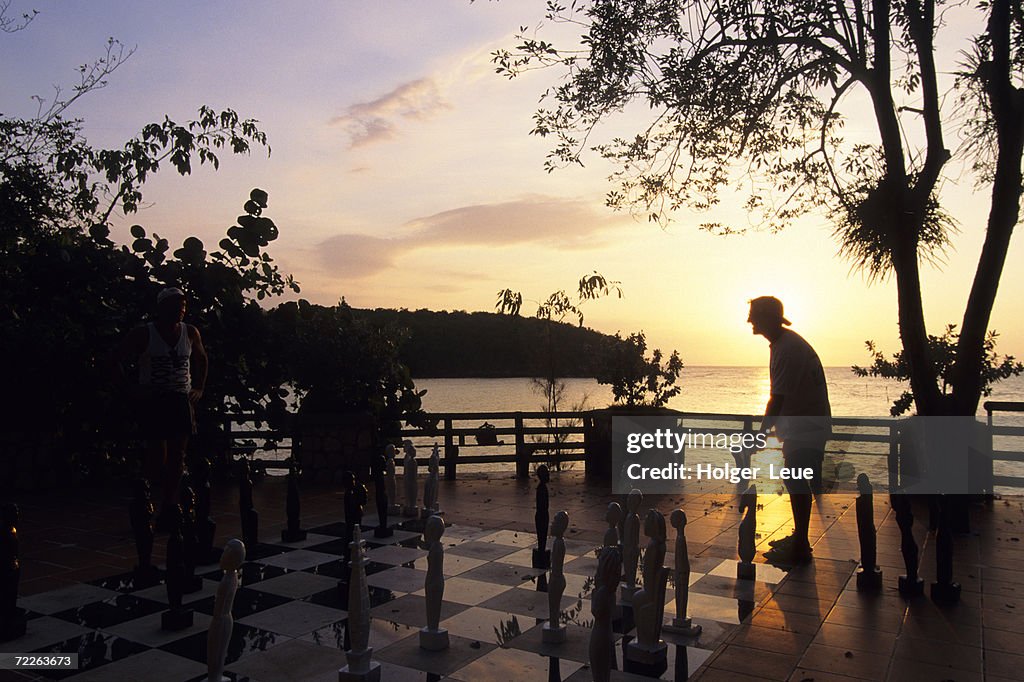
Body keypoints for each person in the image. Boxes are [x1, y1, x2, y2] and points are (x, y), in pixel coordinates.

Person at [112, 287, 207, 526]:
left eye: (184, 306)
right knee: (156, 455)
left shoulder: (190, 332)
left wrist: (199, 388)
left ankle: (170, 504)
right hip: (154, 400)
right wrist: (130, 389)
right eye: (176, 306)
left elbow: (201, 359)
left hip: (180, 398)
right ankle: (145, 500)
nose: (181, 310)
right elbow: (114, 360)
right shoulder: (144, 334)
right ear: (162, 308)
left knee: (178, 454)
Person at [748, 296, 830, 564]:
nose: (749, 320)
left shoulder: (786, 349)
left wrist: (761, 433)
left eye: (754, 316)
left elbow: (777, 398)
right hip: (807, 424)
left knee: (796, 480)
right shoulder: (785, 344)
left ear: (767, 319)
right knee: (796, 479)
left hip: (806, 426)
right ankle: (801, 539)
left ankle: (802, 544)